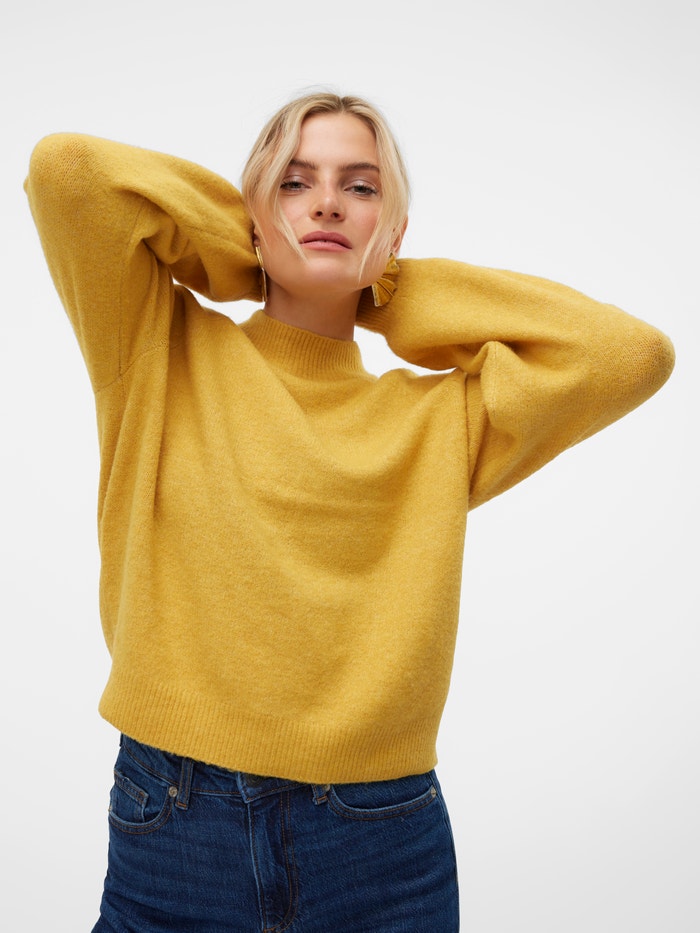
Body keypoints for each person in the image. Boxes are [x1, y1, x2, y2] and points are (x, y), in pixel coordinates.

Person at [25, 92, 674, 933]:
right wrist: (249, 245)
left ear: (395, 231)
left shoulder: (441, 421)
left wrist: (386, 287)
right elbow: (68, 170)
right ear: (252, 211)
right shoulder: (157, 354)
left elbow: (630, 354)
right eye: (295, 183)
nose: (327, 202)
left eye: (361, 188)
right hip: (176, 822)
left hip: (381, 839)